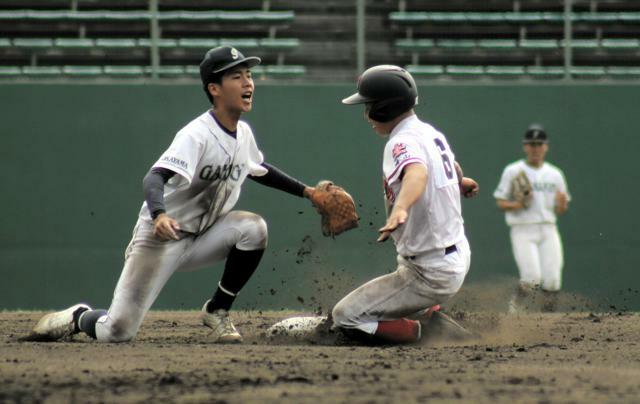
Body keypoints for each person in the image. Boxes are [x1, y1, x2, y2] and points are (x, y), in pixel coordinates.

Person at [27, 46, 325, 344]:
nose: (248, 83)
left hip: (204, 236)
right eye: (237, 76)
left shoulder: (243, 132)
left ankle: (217, 310)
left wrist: (308, 193)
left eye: (249, 75)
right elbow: (155, 176)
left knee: (254, 229)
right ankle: (79, 315)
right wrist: (158, 215)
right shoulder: (196, 134)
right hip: (161, 238)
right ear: (214, 88)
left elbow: (258, 169)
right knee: (116, 331)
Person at [333, 65, 479, 344]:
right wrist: (460, 181)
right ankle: (430, 312)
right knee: (397, 289)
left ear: (385, 108)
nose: (366, 115)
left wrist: (400, 208)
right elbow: (443, 164)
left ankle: (428, 331)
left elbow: (417, 172)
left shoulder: (399, 141)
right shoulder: (430, 132)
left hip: (429, 271)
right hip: (457, 255)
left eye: (369, 106)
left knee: (346, 316)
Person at [493, 124, 570, 312]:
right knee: (531, 278)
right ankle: (513, 311)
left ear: (546, 146)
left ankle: (548, 320)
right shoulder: (513, 170)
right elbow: (500, 202)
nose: (535, 148)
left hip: (548, 228)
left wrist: (562, 204)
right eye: (531, 144)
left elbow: (561, 209)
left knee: (552, 279)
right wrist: (517, 205)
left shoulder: (555, 174)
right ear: (525, 146)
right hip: (523, 228)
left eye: (539, 144)